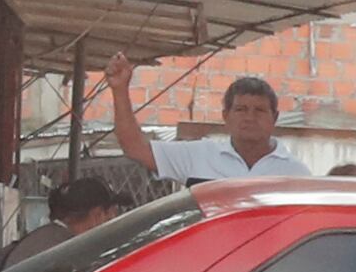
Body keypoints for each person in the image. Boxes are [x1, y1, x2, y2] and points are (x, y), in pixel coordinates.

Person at [110, 70, 313, 189]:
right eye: (241, 109)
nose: (250, 117)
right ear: (225, 116)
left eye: (259, 110)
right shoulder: (199, 155)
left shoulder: (297, 175)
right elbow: (134, 147)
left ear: (274, 118)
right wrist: (119, 89)